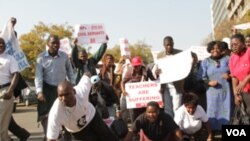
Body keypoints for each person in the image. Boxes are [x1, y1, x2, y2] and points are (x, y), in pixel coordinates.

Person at [47, 75, 119, 141]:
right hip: (78, 131)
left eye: (67, 94)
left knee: (108, 136)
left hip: (92, 117)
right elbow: (51, 138)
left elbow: (86, 75)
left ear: (74, 92)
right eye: (60, 96)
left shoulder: (81, 91)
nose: (64, 98)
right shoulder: (55, 112)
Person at [34, 34, 75, 140]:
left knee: (66, 113)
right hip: (46, 90)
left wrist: (72, 85)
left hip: (62, 90)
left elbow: (70, 72)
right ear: (48, 44)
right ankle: (48, 136)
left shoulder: (64, 56)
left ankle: (66, 136)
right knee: (45, 115)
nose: (56, 45)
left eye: (57, 43)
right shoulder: (41, 57)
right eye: (53, 43)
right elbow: (38, 76)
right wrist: (39, 91)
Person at [197, 40, 233, 132]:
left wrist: (229, 76)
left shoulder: (228, 59)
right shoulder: (206, 62)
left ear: (221, 49)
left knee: (227, 110)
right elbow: (200, 77)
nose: (215, 50)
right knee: (212, 111)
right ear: (209, 50)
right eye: (213, 48)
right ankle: (212, 132)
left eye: (217, 48)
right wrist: (208, 82)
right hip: (212, 93)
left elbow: (236, 72)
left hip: (226, 92)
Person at [7, 17, 31, 141]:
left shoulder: (7, 56)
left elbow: (10, 39)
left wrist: (12, 26)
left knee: (4, 118)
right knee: (6, 119)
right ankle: (21, 135)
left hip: (6, 88)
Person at [120, 56, 157, 123]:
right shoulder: (129, 71)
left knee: (143, 113)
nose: (136, 68)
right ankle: (135, 130)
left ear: (140, 65)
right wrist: (123, 90)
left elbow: (154, 80)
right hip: (133, 98)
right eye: (134, 66)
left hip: (143, 97)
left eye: (137, 66)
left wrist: (157, 75)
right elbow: (122, 82)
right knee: (133, 114)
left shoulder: (146, 70)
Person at [157, 36, 185, 118]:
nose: (169, 46)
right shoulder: (160, 55)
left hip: (177, 85)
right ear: (164, 45)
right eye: (167, 45)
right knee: (168, 109)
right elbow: (158, 68)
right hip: (165, 86)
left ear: (173, 44)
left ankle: (178, 127)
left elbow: (185, 67)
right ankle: (170, 128)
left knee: (177, 108)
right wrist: (157, 72)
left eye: (171, 44)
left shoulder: (180, 53)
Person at [0, 37, 19, 141]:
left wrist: (10, 90)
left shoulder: (10, 58)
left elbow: (16, 75)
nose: (1, 45)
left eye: (2, 43)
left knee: (1, 121)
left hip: (5, 91)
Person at [229, 33, 250, 121]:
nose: (233, 47)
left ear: (243, 43)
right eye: (232, 45)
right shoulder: (232, 58)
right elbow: (234, 77)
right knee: (246, 117)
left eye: (236, 44)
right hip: (244, 93)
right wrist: (235, 94)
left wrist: (245, 81)